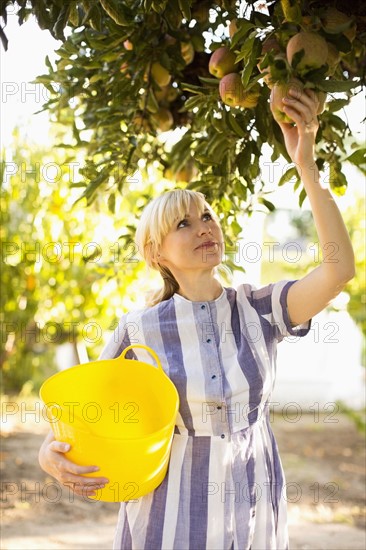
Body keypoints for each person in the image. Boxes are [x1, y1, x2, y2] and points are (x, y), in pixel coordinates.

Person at [39, 87, 355, 549]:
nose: (204, 226)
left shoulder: (259, 308)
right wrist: (50, 456)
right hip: (170, 518)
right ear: (156, 252)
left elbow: (338, 270)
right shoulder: (137, 329)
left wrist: (305, 164)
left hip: (254, 504)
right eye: (183, 224)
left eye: (206, 216)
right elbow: (77, 422)